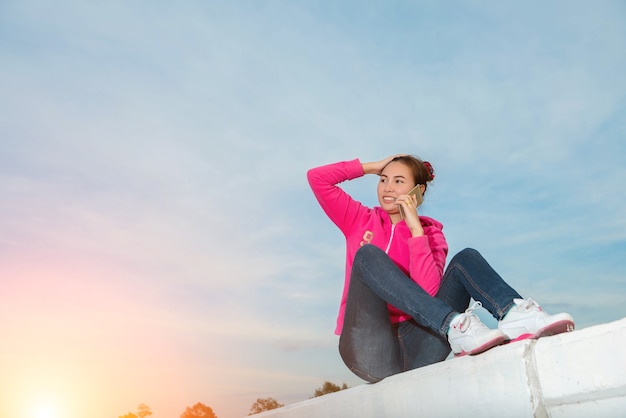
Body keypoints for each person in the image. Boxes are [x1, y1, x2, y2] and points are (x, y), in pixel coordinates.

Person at [307, 155, 575, 383]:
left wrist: (415, 231)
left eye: (398, 181)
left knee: (466, 258)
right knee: (367, 255)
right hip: (369, 348)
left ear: (418, 191)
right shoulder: (358, 219)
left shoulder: (431, 236)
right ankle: (456, 326)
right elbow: (317, 178)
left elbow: (428, 295)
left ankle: (515, 314)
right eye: (383, 179)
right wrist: (372, 165)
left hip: (419, 347)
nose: (387, 188)